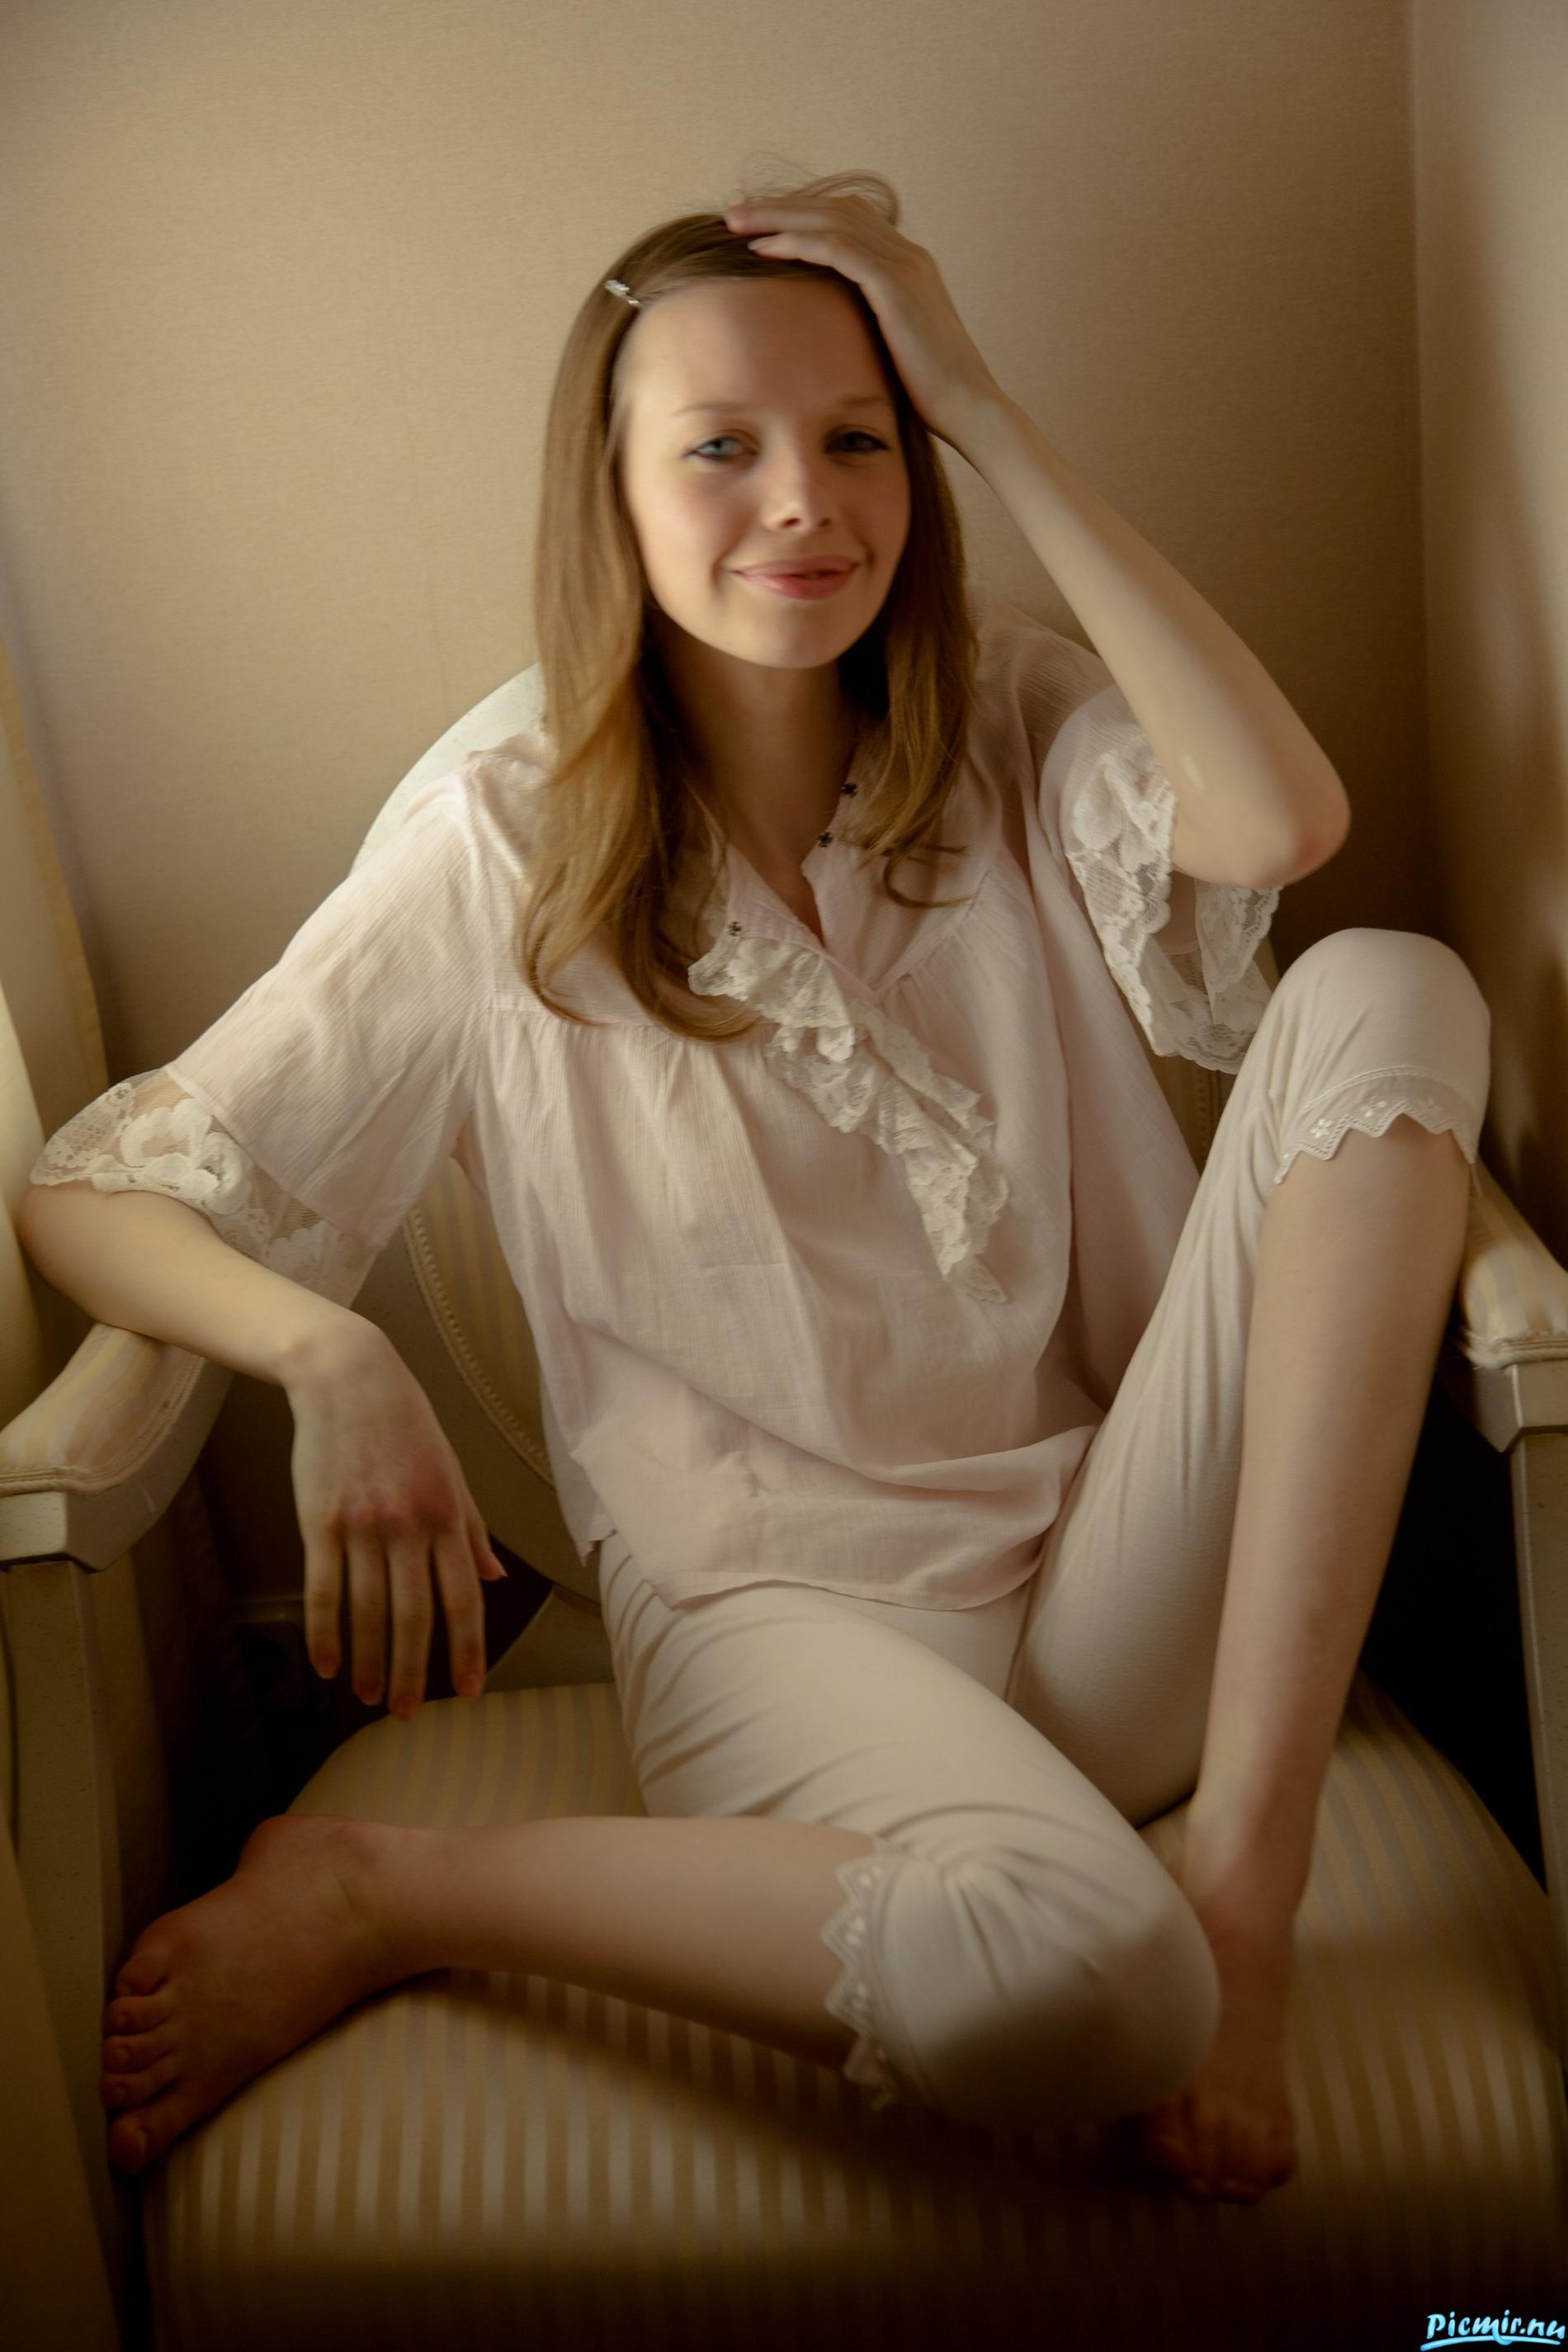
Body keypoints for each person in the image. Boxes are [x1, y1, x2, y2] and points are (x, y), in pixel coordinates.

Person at [18, 172, 1490, 2208]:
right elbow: (91, 1192)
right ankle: (391, 1891)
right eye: (718, 447)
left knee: (1392, 992)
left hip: (1112, 1581)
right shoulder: (499, 836)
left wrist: (978, 399)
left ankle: (1243, 1882)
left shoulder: (1004, 724)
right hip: (780, 1629)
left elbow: (1276, 820)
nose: (801, 501)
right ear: (610, 498)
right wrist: (327, 1355)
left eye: (857, 439)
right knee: (1092, 1986)